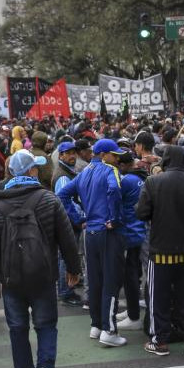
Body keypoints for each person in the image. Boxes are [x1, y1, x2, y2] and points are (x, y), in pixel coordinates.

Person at [0, 149, 81, 368]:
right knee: (46, 324)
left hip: (11, 279)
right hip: (43, 274)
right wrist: (73, 268)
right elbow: (67, 237)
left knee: (17, 328)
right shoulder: (48, 199)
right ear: (31, 171)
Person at [57, 138, 129, 346]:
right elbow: (114, 190)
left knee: (95, 281)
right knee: (111, 281)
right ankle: (109, 330)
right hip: (108, 232)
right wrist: (115, 219)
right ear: (104, 155)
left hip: (91, 234)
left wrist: (80, 219)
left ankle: (97, 325)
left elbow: (62, 195)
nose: (116, 159)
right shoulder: (109, 171)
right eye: (114, 155)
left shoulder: (83, 172)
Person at [135, 144, 184, 352]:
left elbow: (141, 213)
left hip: (161, 251)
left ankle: (160, 340)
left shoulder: (153, 181)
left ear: (164, 160)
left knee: (158, 298)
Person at [113, 150, 147, 332]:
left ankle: (134, 316)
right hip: (139, 230)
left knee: (130, 276)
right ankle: (131, 311)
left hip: (130, 232)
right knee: (133, 274)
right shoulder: (141, 177)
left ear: (123, 165)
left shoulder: (125, 181)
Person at [52, 140, 86, 306]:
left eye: (74, 152)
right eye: (69, 153)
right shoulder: (63, 175)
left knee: (65, 256)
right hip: (68, 222)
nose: (73, 156)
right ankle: (66, 292)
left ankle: (67, 288)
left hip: (67, 221)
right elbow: (65, 202)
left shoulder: (67, 171)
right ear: (61, 155)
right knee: (66, 256)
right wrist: (80, 219)